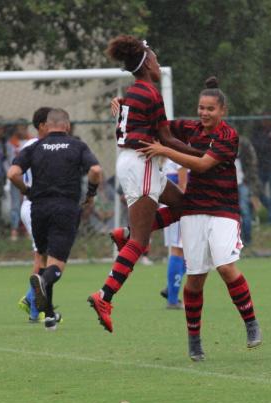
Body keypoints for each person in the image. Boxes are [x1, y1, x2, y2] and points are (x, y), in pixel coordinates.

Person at [139, 77, 262, 360]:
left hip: (224, 210)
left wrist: (165, 150)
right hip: (194, 211)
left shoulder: (229, 136)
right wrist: (127, 108)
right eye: (201, 108)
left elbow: (202, 164)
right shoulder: (190, 128)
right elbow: (159, 124)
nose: (204, 113)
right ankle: (194, 340)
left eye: (210, 109)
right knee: (194, 280)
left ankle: (251, 323)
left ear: (223, 111)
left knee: (226, 266)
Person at [86, 35, 202, 333]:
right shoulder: (150, 93)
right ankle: (104, 296)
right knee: (139, 243)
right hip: (142, 163)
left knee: (182, 205)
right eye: (155, 57)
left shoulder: (134, 92)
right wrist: (202, 155)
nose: (158, 63)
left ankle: (123, 233)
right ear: (147, 62)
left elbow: (139, 121)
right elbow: (166, 139)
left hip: (134, 162)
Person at [8, 108, 102, 331]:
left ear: (47, 126)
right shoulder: (77, 145)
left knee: (42, 258)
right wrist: (90, 194)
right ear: (67, 126)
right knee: (56, 265)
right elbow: (96, 170)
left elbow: (12, 173)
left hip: (38, 209)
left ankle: (48, 314)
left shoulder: (34, 147)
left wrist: (26, 190)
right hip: (65, 208)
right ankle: (43, 284)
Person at [16, 107, 52, 323]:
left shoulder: (29, 146)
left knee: (48, 258)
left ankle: (32, 301)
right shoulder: (39, 147)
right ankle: (34, 308)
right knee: (43, 257)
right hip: (35, 206)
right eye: (51, 123)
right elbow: (14, 174)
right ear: (41, 126)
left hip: (36, 205)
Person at [159, 159, 188, 309]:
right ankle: (172, 299)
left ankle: (171, 288)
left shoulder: (175, 145)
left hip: (171, 203)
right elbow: (183, 185)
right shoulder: (181, 146)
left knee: (189, 251)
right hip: (178, 205)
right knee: (179, 249)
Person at [251, 118, 271, 224]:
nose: (264, 121)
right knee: (258, 192)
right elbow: (255, 146)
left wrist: (263, 145)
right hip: (261, 166)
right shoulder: (257, 131)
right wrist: (264, 144)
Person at [6, 121, 32, 241]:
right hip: (16, 177)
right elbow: (9, 160)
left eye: (23, 128)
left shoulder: (32, 141)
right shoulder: (11, 143)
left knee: (28, 203)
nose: (21, 130)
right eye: (19, 128)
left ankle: (28, 229)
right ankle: (14, 229)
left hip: (29, 178)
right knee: (16, 204)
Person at [236, 136, 262, 245]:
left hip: (242, 183)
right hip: (226, 185)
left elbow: (252, 169)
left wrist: (253, 193)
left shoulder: (245, 147)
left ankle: (247, 239)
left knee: (244, 210)